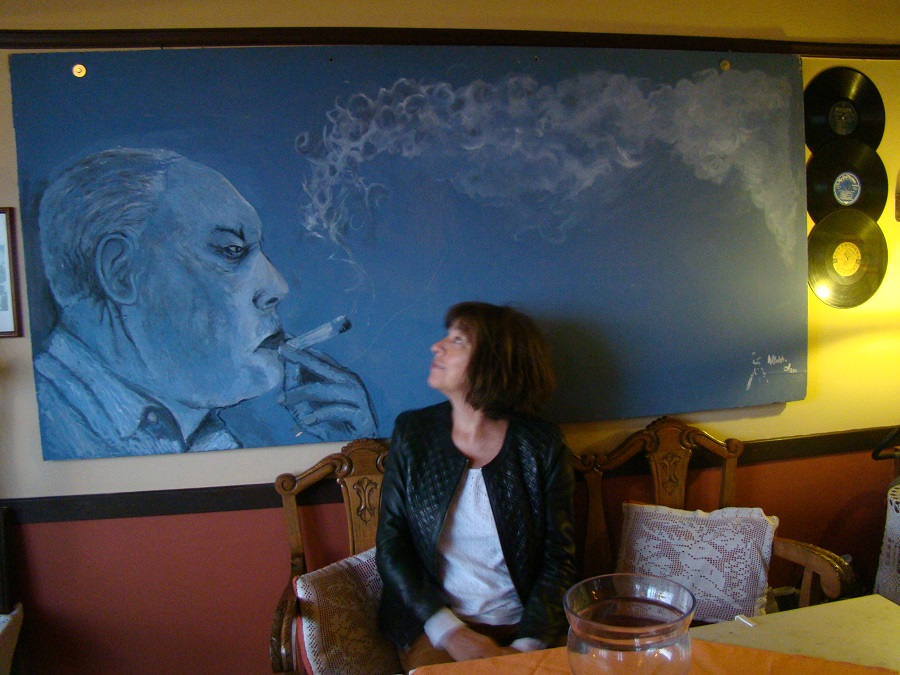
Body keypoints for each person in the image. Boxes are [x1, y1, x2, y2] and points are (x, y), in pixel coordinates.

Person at [33, 147, 376, 460]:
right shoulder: (49, 427)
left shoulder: (208, 441)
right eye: (231, 250)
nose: (278, 286)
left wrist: (352, 452)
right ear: (121, 272)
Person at [376, 301, 576, 672]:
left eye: (458, 340)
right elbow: (392, 545)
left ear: (493, 362)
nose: (437, 346)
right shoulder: (414, 433)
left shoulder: (541, 445)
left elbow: (559, 557)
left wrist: (527, 646)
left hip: (527, 624)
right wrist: (451, 632)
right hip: (436, 625)